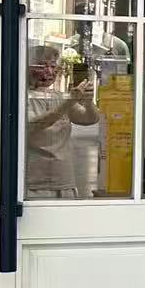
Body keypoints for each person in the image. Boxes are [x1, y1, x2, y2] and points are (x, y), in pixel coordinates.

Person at [26, 42, 100, 199]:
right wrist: (70, 101)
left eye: (53, 66)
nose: (49, 71)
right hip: (33, 182)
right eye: (42, 66)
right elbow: (37, 124)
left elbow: (89, 119)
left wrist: (88, 101)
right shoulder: (21, 96)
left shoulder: (58, 97)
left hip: (63, 180)